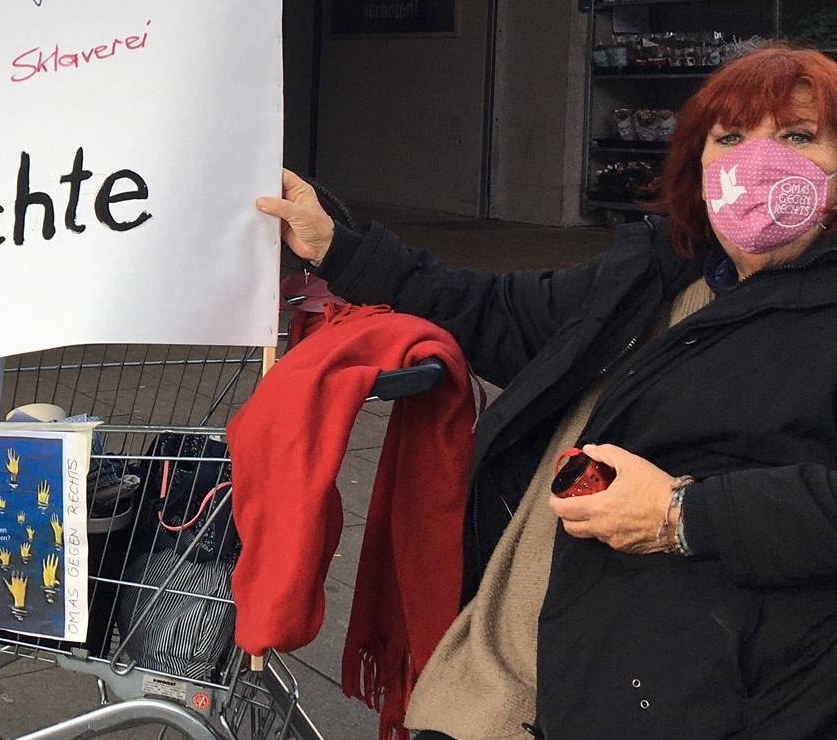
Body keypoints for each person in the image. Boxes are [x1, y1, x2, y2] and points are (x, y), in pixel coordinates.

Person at [257, 46, 837, 739]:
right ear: (699, 162)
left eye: (798, 136)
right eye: (732, 137)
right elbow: (495, 311)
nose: (758, 160)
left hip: (686, 701)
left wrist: (683, 513)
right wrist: (338, 248)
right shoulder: (655, 271)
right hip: (503, 680)